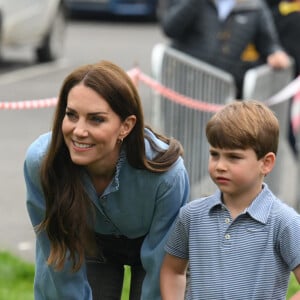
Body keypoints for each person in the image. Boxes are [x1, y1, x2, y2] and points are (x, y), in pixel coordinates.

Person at [24, 60, 190, 300]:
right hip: (88, 245)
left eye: (96, 119)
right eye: (71, 115)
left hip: (154, 251)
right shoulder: (42, 162)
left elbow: (163, 268)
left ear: (126, 126)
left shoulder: (167, 174)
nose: (79, 131)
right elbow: (59, 257)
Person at [160, 100, 300, 299]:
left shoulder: (285, 222)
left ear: (266, 163)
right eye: (214, 154)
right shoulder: (192, 215)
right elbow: (172, 270)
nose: (220, 166)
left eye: (233, 157)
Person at [161, 0, 291, 97]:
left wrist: (276, 53)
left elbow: (268, 44)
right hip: (183, 86)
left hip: (223, 91)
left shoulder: (254, 6)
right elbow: (170, 28)